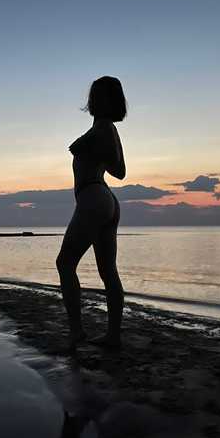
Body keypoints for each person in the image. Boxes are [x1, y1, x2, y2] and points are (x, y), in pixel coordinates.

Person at [56, 76, 127, 350]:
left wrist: (88, 143)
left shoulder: (104, 128)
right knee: (108, 271)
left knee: (65, 263)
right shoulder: (105, 129)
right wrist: (91, 144)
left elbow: (118, 170)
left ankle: (76, 332)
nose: (91, 99)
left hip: (94, 197)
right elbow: (119, 170)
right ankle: (113, 336)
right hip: (104, 199)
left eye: (95, 95)